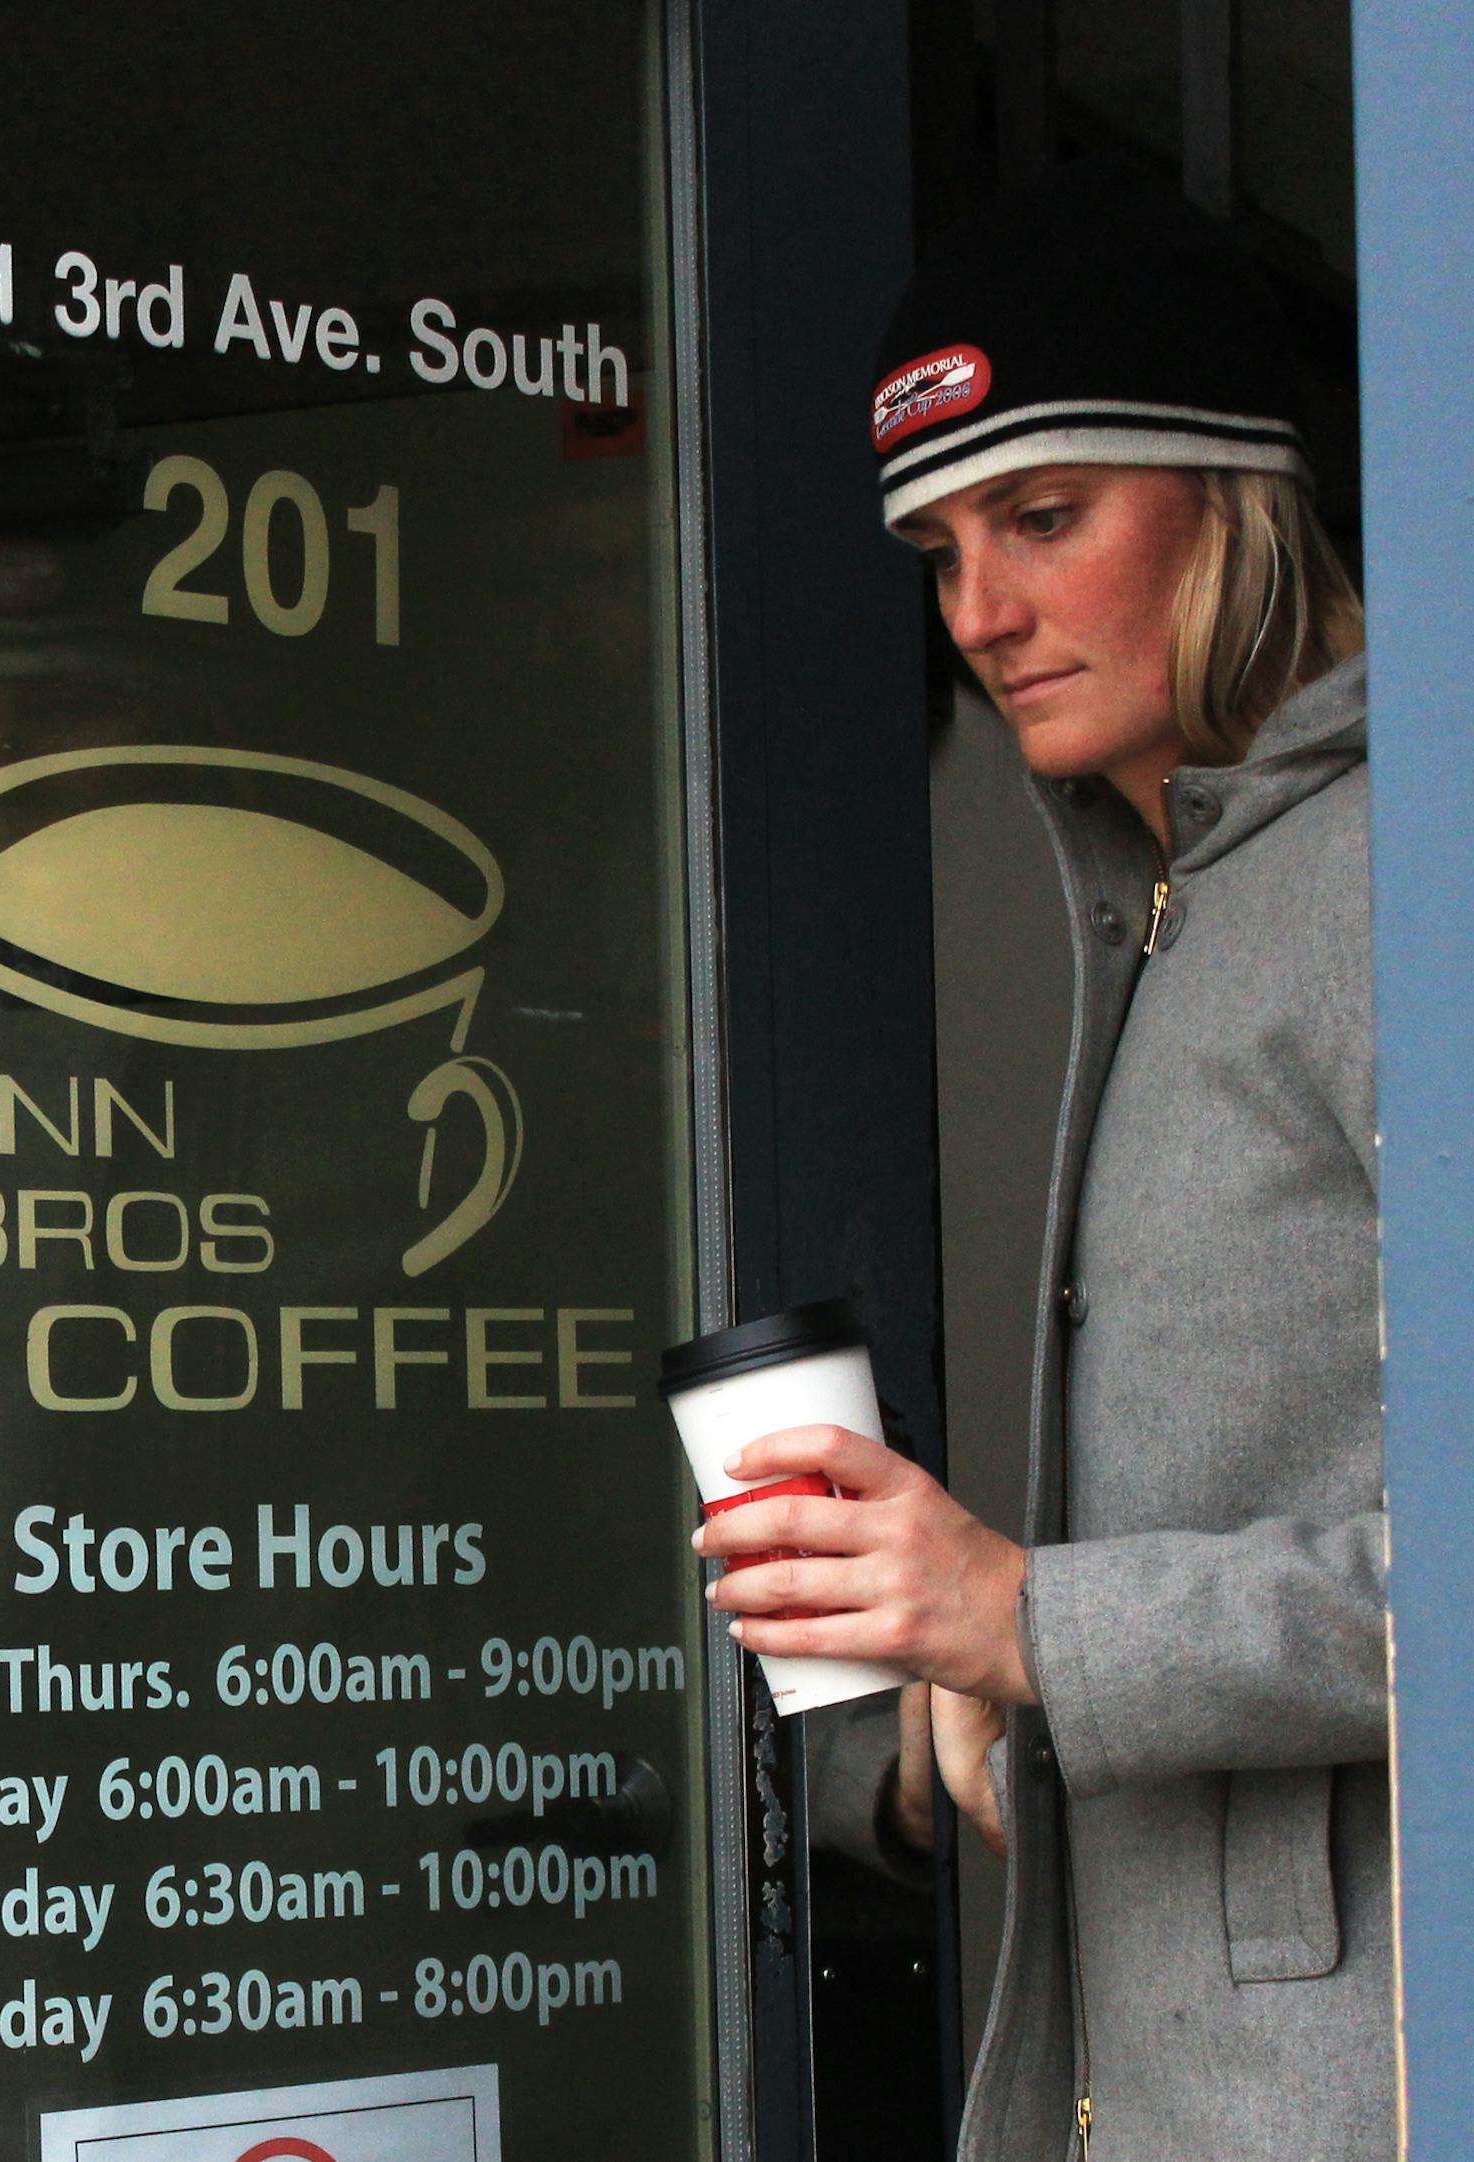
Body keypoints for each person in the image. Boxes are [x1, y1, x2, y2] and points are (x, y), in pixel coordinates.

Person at [695, 163, 1387, 2160]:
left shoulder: (1396, 881)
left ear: (1241, 489)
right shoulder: (1157, 905)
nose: (979, 613)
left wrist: (1034, 1618)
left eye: (1046, 517)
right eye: (940, 549)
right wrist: (949, 1698)